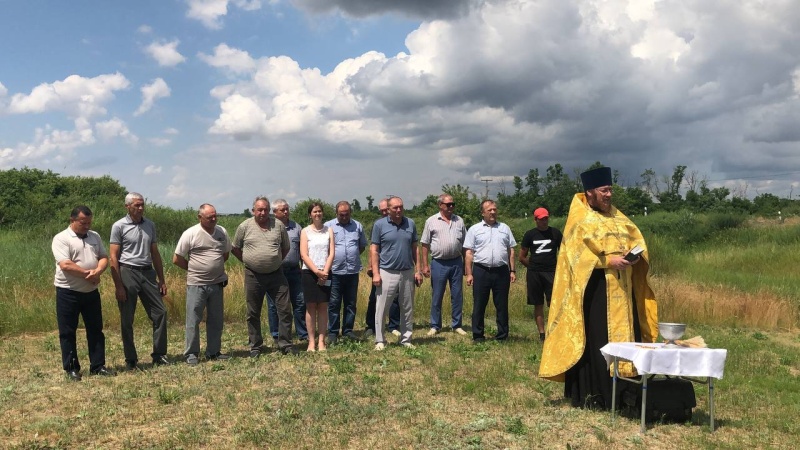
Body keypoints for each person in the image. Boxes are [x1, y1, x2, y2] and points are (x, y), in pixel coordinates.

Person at [538, 166, 658, 410]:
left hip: (623, 292)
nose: (609, 195)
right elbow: (573, 257)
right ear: (590, 192)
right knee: (597, 338)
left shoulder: (618, 217)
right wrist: (606, 261)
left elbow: (636, 239)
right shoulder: (580, 220)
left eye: (611, 190)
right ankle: (597, 394)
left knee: (629, 335)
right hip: (595, 291)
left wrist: (633, 255)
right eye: (604, 190)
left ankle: (627, 390)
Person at [52, 205, 116, 380]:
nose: (87, 226)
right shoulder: (62, 238)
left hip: (91, 292)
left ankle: (98, 365)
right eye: (83, 222)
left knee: (95, 329)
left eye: (89, 222)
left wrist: (98, 272)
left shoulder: (94, 236)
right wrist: (88, 274)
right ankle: (72, 368)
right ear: (72, 220)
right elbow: (65, 264)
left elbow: (103, 257)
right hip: (68, 292)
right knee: (67, 331)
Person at [109, 192, 170, 370]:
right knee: (127, 318)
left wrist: (161, 279)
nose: (141, 208)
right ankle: (131, 359)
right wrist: (118, 285)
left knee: (160, 312)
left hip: (147, 272)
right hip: (128, 271)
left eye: (142, 204)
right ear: (127, 206)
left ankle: (159, 355)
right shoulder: (119, 226)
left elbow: (155, 253)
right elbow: (113, 256)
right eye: (137, 205)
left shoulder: (149, 225)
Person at [232, 196, 298, 357]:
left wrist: (274, 262)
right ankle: (256, 345)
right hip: (253, 275)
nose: (262, 212)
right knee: (253, 312)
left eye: (265, 209)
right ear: (253, 210)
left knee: (284, 310)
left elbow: (285, 247)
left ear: (269, 210)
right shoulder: (244, 226)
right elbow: (235, 248)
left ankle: (285, 344)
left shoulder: (278, 226)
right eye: (259, 209)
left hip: (277, 275)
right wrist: (249, 261)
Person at [174, 203, 233, 365]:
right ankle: (191, 353)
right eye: (209, 217)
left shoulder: (222, 232)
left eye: (215, 215)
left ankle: (213, 352)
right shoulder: (190, 233)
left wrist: (215, 268)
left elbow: (225, 254)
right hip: (196, 284)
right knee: (193, 319)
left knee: (216, 319)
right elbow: (177, 259)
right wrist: (194, 269)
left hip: (217, 283)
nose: (214, 219)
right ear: (200, 217)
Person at [370, 196, 423, 350]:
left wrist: (418, 270)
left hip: (407, 272)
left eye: (401, 207)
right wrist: (375, 273)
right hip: (386, 271)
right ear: (388, 210)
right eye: (395, 208)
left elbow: (415, 249)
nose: (399, 210)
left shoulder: (410, 223)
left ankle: (406, 339)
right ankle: (380, 340)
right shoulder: (379, 225)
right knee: (382, 307)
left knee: (407, 307)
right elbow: (374, 250)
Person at [464, 200, 517, 342]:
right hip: (481, 271)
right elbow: (469, 253)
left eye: (494, 209)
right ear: (483, 213)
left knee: (502, 305)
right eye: (489, 210)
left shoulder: (504, 228)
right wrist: (469, 273)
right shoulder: (474, 229)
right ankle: (478, 335)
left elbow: (511, 250)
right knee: (479, 304)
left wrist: (512, 270)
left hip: (501, 271)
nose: (493, 212)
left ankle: (502, 335)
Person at [419, 194, 467, 336]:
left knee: (457, 295)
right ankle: (435, 325)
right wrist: (425, 265)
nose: (451, 207)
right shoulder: (431, 221)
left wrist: (467, 265)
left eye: (453, 204)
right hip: (438, 263)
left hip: (457, 262)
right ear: (440, 205)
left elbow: (466, 245)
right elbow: (425, 244)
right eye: (448, 204)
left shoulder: (459, 221)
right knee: (437, 295)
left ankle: (457, 324)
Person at [324, 201, 367, 345]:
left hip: (352, 271)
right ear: (336, 214)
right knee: (334, 303)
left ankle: (348, 331)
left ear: (350, 213)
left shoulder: (358, 226)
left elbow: (361, 246)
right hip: (335, 271)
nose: (344, 217)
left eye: (347, 214)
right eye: (341, 215)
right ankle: (333, 333)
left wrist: (351, 255)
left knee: (350, 303)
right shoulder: (328, 226)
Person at [519, 207, 562, 342]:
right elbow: (522, 256)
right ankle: (542, 334)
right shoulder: (530, 234)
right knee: (538, 303)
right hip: (535, 273)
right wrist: (532, 267)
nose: (544, 221)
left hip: (552, 271)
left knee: (553, 302)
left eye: (546, 218)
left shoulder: (555, 233)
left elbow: (564, 252)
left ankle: (555, 331)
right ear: (536, 220)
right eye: (541, 219)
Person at [299, 202, 335, 352]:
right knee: (311, 306)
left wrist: (324, 271)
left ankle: (321, 341)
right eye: (314, 211)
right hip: (309, 273)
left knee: (323, 307)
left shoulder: (329, 230)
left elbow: (331, 252)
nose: (317, 214)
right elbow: (303, 254)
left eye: (319, 211)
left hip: (326, 272)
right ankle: (311, 342)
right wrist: (317, 272)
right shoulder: (305, 231)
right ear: (310, 215)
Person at [364, 198, 401, 338]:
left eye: (386, 209)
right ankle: (371, 325)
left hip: (395, 267)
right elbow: (373, 248)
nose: (384, 212)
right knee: (374, 297)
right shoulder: (378, 225)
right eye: (382, 210)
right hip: (379, 268)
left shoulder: (400, 223)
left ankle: (393, 325)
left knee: (395, 298)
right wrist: (371, 267)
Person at [273, 199, 308, 342]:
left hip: (294, 271)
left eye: (287, 209)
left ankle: (303, 334)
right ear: (275, 212)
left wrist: (302, 266)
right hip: (276, 272)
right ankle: (276, 334)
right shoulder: (270, 227)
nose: (286, 212)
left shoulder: (296, 227)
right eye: (283, 210)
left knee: (299, 302)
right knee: (275, 305)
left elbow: (302, 249)